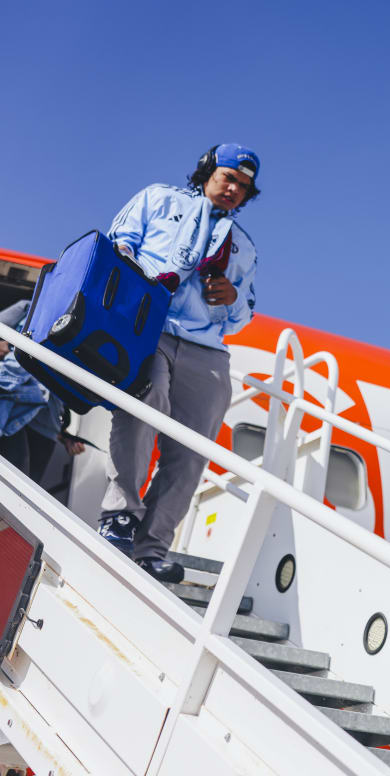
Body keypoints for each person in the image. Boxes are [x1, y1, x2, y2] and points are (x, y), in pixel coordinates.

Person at [96, 144, 260, 582]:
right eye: (228, 177)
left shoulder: (242, 246)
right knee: (146, 403)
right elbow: (120, 245)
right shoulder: (158, 199)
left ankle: (151, 547)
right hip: (149, 326)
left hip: (206, 348)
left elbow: (244, 314)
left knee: (191, 451)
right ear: (207, 170)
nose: (233, 189)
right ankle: (119, 517)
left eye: (243, 186)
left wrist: (231, 300)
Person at [0, 300, 85, 482]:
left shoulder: (82, 328)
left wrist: (65, 434)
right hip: (13, 405)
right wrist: (8, 347)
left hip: (47, 426)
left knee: (23, 495)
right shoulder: (28, 307)